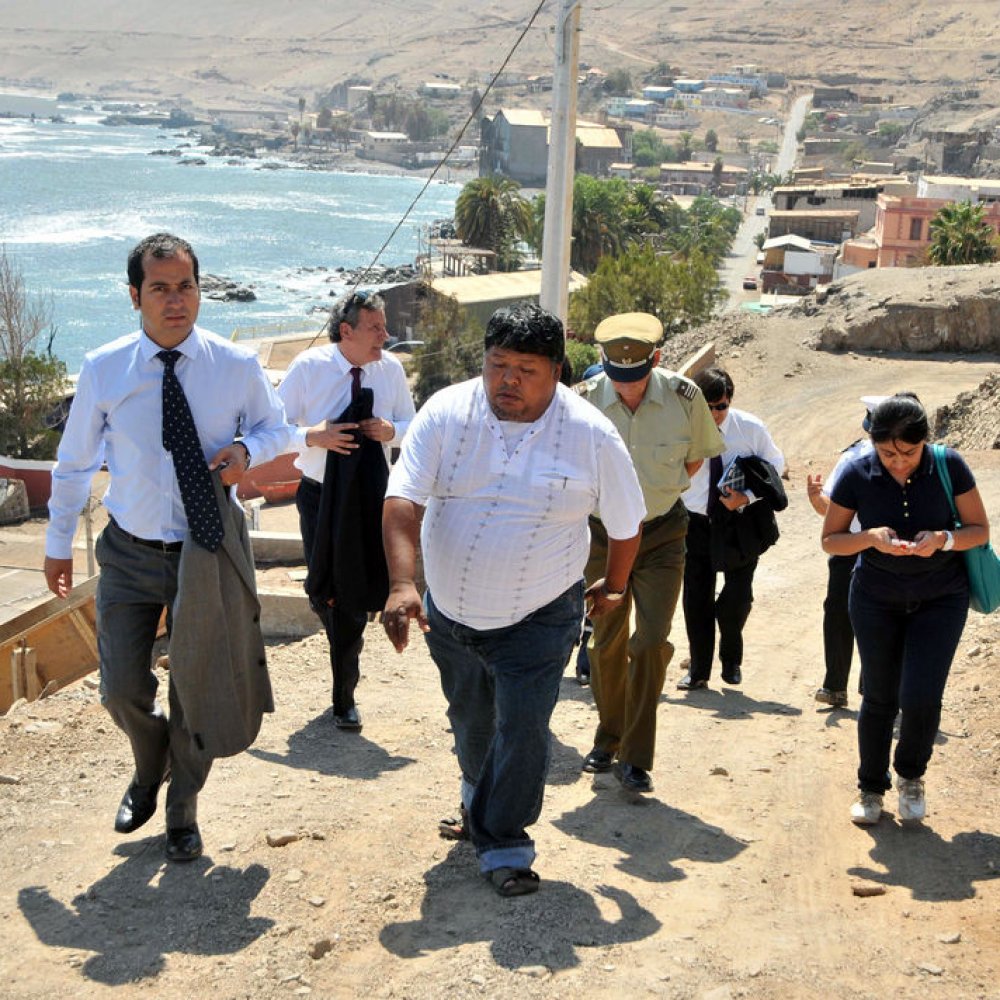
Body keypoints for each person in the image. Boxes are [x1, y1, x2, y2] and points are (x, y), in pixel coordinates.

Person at [44, 233, 294, 862]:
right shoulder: (104, 368)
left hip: (205, 550)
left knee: (196, 686)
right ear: (135, 296)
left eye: (186, 286)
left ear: (199, 290)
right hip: (127, 550)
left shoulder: (235, 366)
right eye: (160, 288)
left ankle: (182, 807)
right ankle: (149, 759)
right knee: (120, 687)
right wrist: (57, 543)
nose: (175, 300)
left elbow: (278, 428)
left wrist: (247, 450)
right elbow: (74, 464)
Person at [381, 302, 645, 896]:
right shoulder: (447, 412)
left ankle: (505, 843)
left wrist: (616, 585)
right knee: (471, 719)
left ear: (557, 371)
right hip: (450, 616)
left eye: (526, 370)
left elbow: (627, 523)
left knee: (524, 728)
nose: (508, 380)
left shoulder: (591, 435)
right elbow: (403, 499)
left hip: (540, 614)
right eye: (497, 364)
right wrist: (402, 583)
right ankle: (476, 799)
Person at [821, 394, 990, 825]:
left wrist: (943, 540)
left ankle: (911, 776)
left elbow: (979, 530)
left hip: (941, 599)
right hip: (875, 599)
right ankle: (870, 787)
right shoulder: (857, 471)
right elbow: (831, 540)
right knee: (879, 695)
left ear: (925, 441)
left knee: (921, 697)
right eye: (887, 453)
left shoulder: (950, 465)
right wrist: (869, 538)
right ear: (873, 444)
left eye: (909, 453)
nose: (898, 463)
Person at [576, 313, 724, 793]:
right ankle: (608, 737)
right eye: (617, 377)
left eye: (636, 377)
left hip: (662, 533)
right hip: (603, 537)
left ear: (656, 359)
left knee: (651, 642)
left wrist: (658, 492)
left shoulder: (686, 397)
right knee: (606, 642)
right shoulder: (582, 401)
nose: (626, 388)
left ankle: (636, 757)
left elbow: (694, 459)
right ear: (602, 362)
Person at [277, 290, 415, 731]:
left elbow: (413, 427)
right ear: (346, 331)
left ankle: (344, 696)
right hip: (319, 497)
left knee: (351, 596)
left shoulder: (391, 370)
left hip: (371, 499)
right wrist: (313, 436)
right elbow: (271, 428)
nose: (385, 335)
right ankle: (342, 627)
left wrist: (391, 431)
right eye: (375, 327)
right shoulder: (308, 368)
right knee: (324, 592)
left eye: (384, 326)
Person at [678, 366, 785, 690]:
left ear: (730, 401)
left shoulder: (750, 428)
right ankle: (698, 671)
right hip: (695, 522)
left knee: (736, 598)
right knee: (696, 598)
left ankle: (731, 659)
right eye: (707, 407)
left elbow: (776, 465)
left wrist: (747, 496)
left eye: (721, 406)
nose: (714, 414)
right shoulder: (681, 428)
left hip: (741, 523)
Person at [806, 396, 884, 709]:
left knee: (874, 616)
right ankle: (838, 686)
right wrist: (817, 500)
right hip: (850, 547)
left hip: (880, 549)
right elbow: (831, 509)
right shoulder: (854, 458)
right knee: (840, 612)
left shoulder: (904, 462)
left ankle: (868, 686)